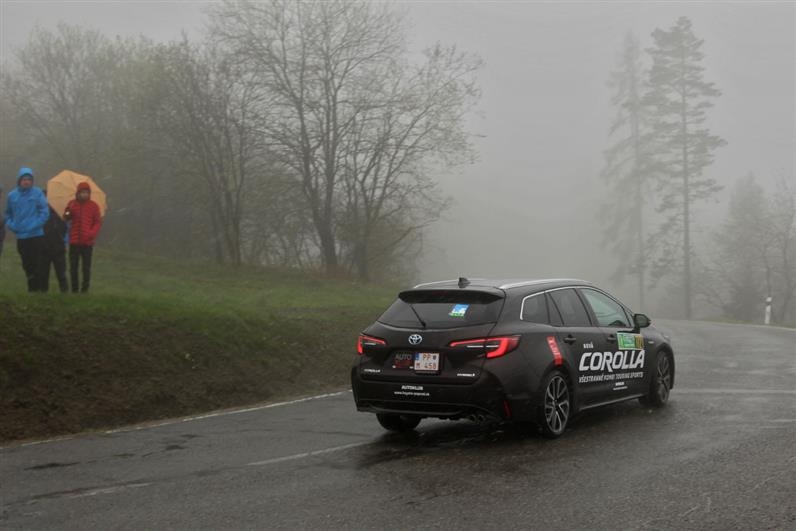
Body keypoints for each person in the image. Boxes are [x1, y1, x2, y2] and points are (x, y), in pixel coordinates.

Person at [3, 167, 49, 292]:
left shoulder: (37, 193)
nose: (27, 181)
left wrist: (35, 224)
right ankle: (32, 287)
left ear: (32, 181)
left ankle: (38, 289)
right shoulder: (12, 195)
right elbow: (7, 214)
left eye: (29, 179)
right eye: (24, 179)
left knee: (37, 262)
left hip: (36, 235)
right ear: (19, 180)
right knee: (26, 263)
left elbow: (45, 212)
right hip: (21, 236)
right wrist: (13, 226)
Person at [64, 181, 102, 293]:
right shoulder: (72, 204)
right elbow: (66, 218)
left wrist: (91, 233)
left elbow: (97, 222)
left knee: (86, 267)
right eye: (82, 192)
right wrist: (68, 211)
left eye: (87, 192)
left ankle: (85, 289)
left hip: (87, 243)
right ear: (78, 193)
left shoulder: (94, 206)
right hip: (74, 241)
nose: (85, 194)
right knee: (73, 267)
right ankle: (74, 289)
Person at [41, 192, 69, 293]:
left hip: (58, 247)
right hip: (44, 247)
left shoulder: (60, 213)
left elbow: (68, 218)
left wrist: (66, 213)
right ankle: (42, 292)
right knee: (43, 273)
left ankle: (64, 292)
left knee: (61, 273)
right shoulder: (40, 213)